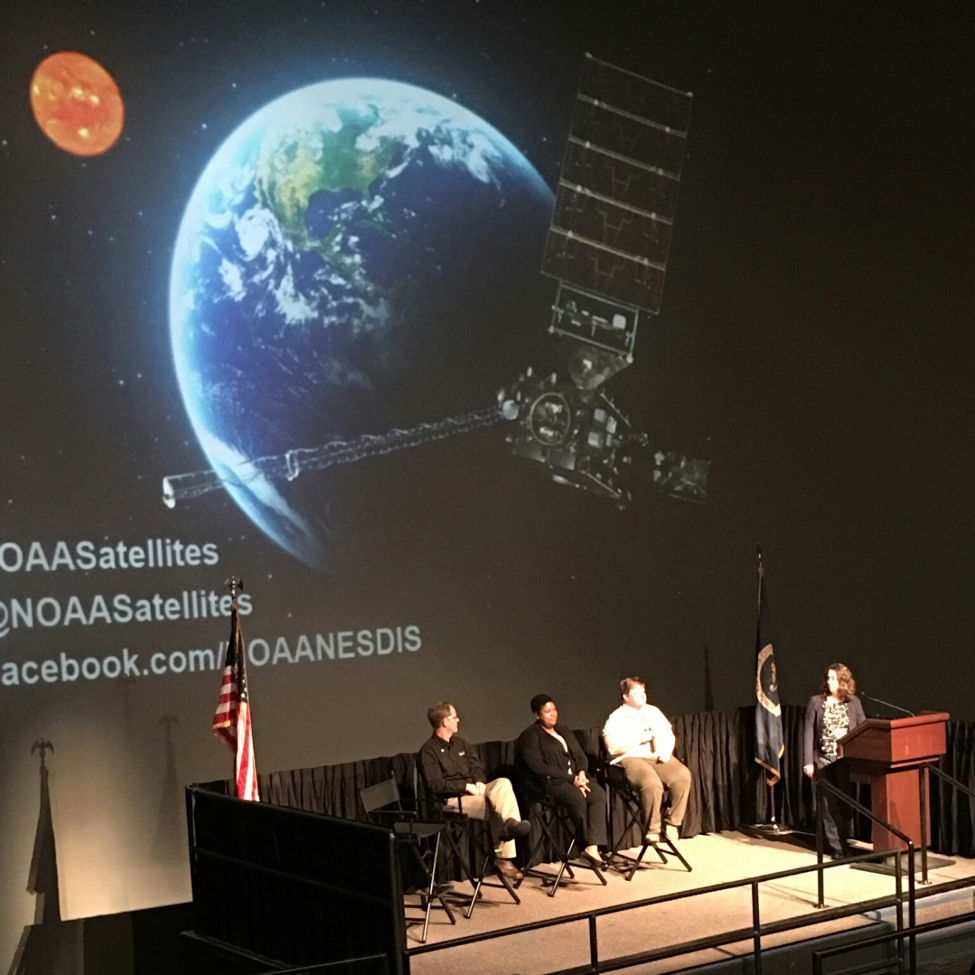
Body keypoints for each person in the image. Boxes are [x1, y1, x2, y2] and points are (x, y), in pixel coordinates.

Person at [417, 701, 531, 881]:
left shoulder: (461, 744)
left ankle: (510, 824)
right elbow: (435, 785)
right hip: (453, 801)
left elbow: (477, 767)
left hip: (476, 793)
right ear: (445, 722)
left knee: (503, 783)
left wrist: (478, 781)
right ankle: (504, 857)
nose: (458, 719)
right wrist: (465, 787)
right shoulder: (428, 752)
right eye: (454, 717)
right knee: (497, 805)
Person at [515, 694, 609, 868]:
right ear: (537, 714)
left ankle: (592, 847)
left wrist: (581, 772)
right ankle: (585, 842)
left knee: (598, 795)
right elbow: (537, 767)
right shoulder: (530, 736)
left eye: (554, 710)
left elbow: (580, 756)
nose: (553, 714)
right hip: (550, 784)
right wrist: (571, 779)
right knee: (576, 798)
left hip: (575, 778)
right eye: (547, 711)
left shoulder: (563, 730)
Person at [602, 677, 692, 844]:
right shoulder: (616, 718)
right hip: (631, 758)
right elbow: (612, 746)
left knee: (682, 775)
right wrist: (639, 738)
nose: (642, 695)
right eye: (636, 692)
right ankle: (653, 829)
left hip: (656, 756)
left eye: (643, 691)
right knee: (651, 783)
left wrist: (665, 752)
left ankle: (672, 822)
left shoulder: (653, 711)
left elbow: (668, 734)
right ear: (626, 697)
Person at [803, 662, 867, 858]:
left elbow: (863, 728)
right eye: (828, 678)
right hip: (823, 759)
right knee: (828, 804)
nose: (829, 681)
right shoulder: (816, 702)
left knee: (844, 802)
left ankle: (845, 840)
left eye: (833, 678)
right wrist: (808, 760)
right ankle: (836, 847)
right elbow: (809, 731)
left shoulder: (853, 702)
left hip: (845, 761)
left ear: (843, 681)